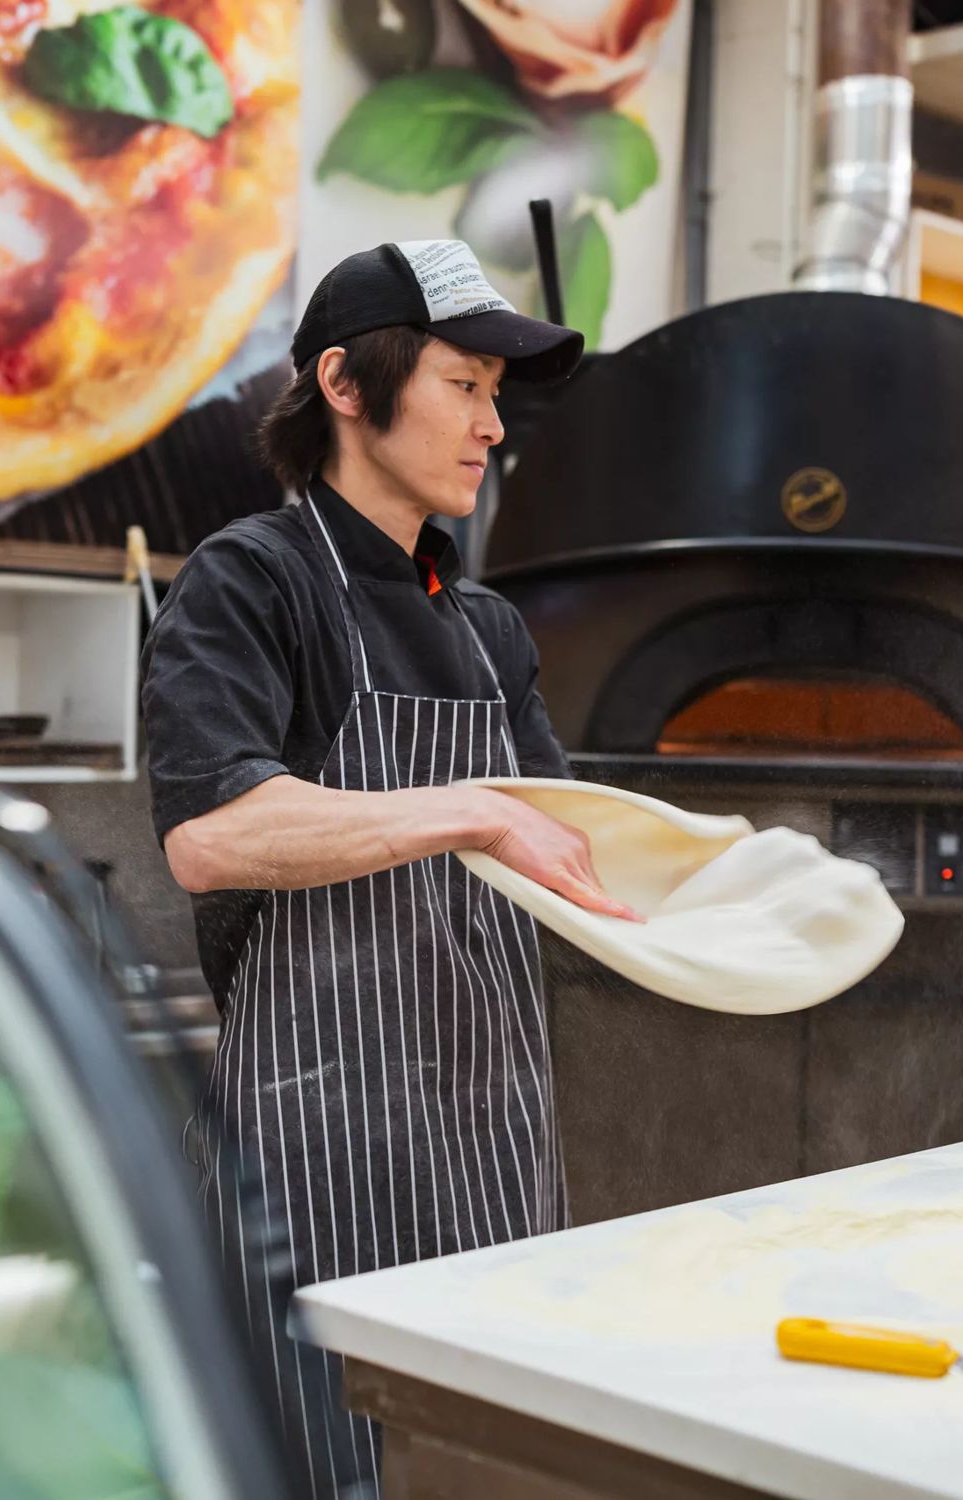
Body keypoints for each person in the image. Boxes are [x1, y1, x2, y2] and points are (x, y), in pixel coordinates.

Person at [140, 238, 639, 1499]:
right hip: (318, 1139)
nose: (490, 427)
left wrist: (750, 895)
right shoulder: (250, 581)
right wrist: (469, 811)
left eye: (495, 396)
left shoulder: (486, 628)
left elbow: (559, 830)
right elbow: (216, 835)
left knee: (492, 1460)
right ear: (347, 388)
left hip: (492, 1126)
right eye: (464, 386)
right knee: (331, 1469)